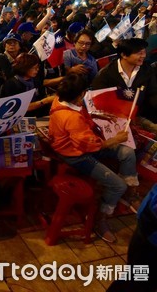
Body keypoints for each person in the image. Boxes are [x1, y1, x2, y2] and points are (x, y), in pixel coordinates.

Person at [49, 73, 140, 243]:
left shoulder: (63, 99)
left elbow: (82, 115)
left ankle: (130, 195)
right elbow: (90, 146)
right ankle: (101, 219)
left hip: (84, 144)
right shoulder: (71, 118)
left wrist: (97, 116)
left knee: (127, 152)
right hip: (76, 155)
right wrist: (115, 139)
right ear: (81, 94)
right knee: (117, 184)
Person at [92, 38, 157, 132]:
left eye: (144, 52)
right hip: (114, 120)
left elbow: (153, 94)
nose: (143, 56)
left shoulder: (146, 70)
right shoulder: (106, 74)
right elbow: (98, 101)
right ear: (124, 55)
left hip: (139, 117)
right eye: (139, 53)